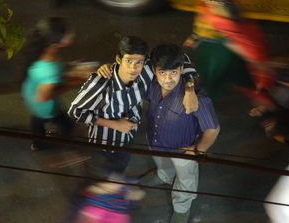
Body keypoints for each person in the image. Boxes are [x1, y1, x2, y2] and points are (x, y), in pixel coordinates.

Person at [68, 36, 198, 175]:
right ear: (118, 59)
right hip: (104, 146)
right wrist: (115, 124)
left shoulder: (146, 71)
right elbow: (75, 111)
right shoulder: (101, 82)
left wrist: (189, 89)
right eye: (128, 61)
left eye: (139, 62)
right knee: (102, 178)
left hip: (128, 140)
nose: (133, 68)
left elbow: (179, 58)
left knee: (119, 172)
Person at [141, 44, 220, 223]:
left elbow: (213, 129)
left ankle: (182, 209)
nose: (168, 79)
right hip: (155, 143)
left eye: (173, 73)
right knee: (163, 165)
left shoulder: (196, 98)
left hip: (183, 152)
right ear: (154, 70)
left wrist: (198, 150)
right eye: (162, 73)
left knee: (186, 183)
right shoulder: (152, 84)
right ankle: (163, 176)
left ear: (181, 70)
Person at [185, 0, 275, 114]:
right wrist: (194, 37)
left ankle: (270, 110)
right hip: (210, 53)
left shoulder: (224, 20)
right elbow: (201, 23)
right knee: (230, 81)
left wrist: (260, 64)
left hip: (219, 58)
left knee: (218, 84)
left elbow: (247, 48)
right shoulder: (211, 4)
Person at [22, 17, 82, 151]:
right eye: (67, 34)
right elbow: (43, 97)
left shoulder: (42, 52)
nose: (72, 34)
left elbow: (52, 69)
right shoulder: (49, 71)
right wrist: (71, 84)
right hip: (45, 106)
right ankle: (66, 145)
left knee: (37, 121)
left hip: (30, 95)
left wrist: (70, 67)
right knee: (68, 125)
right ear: (56, 43)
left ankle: (37, 143)